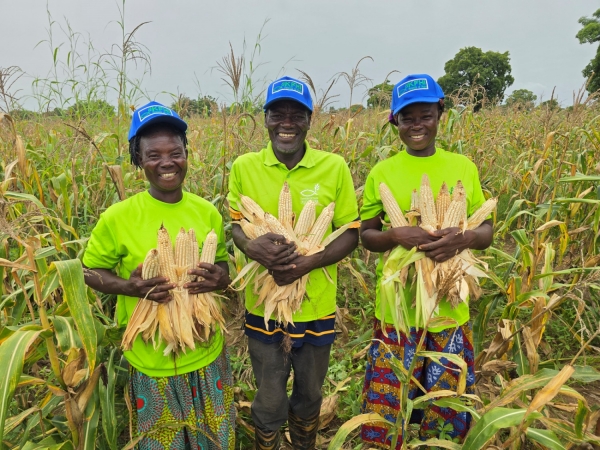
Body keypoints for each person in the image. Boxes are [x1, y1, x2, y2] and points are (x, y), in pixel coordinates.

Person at [82, 101, 236, 449]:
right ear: (138, 160)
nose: (166, 163)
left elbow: (223, 267)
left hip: (207, 353)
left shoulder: (206, 211)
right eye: (153, 154)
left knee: (215, 440)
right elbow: (88, 271)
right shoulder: (118, 217)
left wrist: (219, 278)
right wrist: (130, 287)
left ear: (186, 154)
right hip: (151, 359)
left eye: (175, 152)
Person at [359, 74, 493, 448]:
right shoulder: (382, 173)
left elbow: (486, 232)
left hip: (449, 303)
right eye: (407, 118)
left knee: (446, 400)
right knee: (392, 397)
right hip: (398, 305)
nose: (417, 125)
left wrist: (462, 238)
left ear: (440, 115)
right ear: (394, 123)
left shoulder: (463, 167)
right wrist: (396, 235)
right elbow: (366, 236)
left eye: (425, 115)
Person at [227, 76, 359, 449]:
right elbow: (236, 226)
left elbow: (350, 233)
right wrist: (254, 249)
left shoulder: (333, 167)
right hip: (263, 305)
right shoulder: (245, 166)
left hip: (316, 305)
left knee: (309, 394)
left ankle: (303, 443)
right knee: (269, 396)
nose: (286, 122)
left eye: (296, 114)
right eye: (277, 113)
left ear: (309, 120)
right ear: (265, 118)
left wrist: (307, 263)